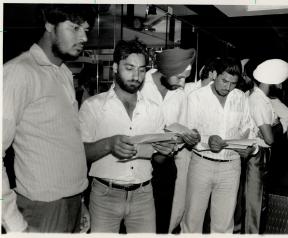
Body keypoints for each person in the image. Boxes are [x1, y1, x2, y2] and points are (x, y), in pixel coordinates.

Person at [2, 4, 96, 232]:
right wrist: (15, 224)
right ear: (49, 25)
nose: (84, 37)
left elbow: (65, 144)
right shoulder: (18, 72)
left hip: (71, 204)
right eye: (75, 28)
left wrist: (79, 202)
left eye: (86, 29)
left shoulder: (63, 72)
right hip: (41, 209)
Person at [78, 39, 175, 233]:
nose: (136, 76)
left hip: (144, 194)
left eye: (141, 70)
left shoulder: (154, 110)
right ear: (115, 67)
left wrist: (165, 151)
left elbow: (158, 158)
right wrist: (109, 144)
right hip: (104, 194)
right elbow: (78, 155)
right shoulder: (94, 106)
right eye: (129, 68)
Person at [181, 57, 258, 233]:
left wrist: (249, 148)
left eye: (233, 83)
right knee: (192, 222)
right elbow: (189, 132)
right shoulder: (196, 97)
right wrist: (206, 140)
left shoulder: (240, 97)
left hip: (231, 167)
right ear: (214, 74)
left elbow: (248, 129)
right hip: (202, 163)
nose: (228, 87)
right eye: (224, 80)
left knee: (223, 226)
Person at [141, 47, 201, 233]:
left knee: (162, 218)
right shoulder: (140, 84)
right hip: (138, 161)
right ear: (165, 71)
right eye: (180, 77)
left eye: (186, 78)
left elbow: (181, 127)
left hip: (165, 163)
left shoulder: (180, 95)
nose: (183, 84)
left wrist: (188, 137)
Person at [246, 59, 288, 233]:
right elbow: (270, 138)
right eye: (278, 82)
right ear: (269, 82)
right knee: (255, 202)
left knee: (261, 200)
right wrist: (278, 124)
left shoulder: (263, 99)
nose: (280, 86)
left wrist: (275, 125)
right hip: (257, 157)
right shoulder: (258, 101)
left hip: (263, 155)